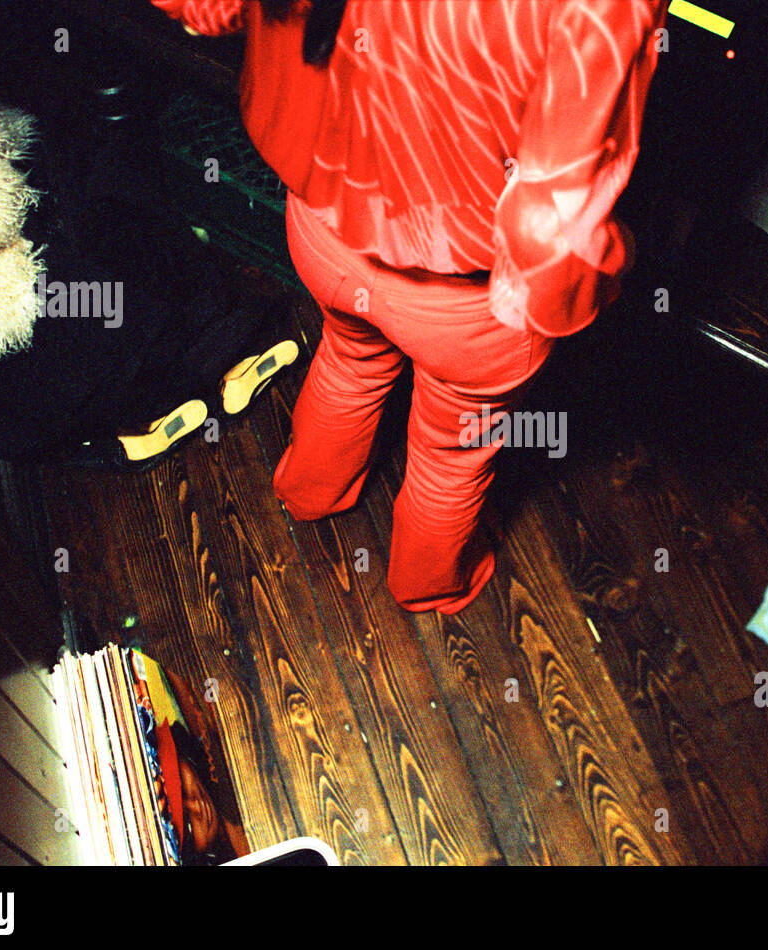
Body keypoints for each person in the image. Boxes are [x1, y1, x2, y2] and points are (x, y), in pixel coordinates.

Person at [151, 0, 666, 612]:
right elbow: (553, 222)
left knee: (349, 360)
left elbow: (207, 9)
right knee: (451, 455)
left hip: (325, 231)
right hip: (469, 305)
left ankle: (307, 492)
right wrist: (614, 269)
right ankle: (428, 584)